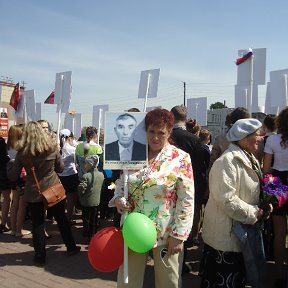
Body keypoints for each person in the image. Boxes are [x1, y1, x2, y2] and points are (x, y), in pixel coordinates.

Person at [109, 108, 194, 288]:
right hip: (133, 230)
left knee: (169, 281)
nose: (155, 137)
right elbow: (122, 183)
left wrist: (179, 235)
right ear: (145, 131)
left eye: (161, 133)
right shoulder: (133, 154)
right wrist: (118, 198)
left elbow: (187, 198)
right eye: (151, 131)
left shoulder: (180, 158)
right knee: (127, 280)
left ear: (169, 132)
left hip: (166, 231)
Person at [200, 118, 272, 288]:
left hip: (239, 234)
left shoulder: (248, 157)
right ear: (244, 138)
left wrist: (265, 203)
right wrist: (254, 213)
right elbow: (227, 199)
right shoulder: (226, 162)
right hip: (225, 237)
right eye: (257, 135)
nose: (261, 138)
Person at [7, 121, 80, 266]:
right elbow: (60, 169)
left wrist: (10, 165)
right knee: (61, 219)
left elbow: (13, 176)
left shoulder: (23, 153)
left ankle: (40, 255)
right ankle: (71, 247)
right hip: (53, 189)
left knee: (38, 223)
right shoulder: (52, 148)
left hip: (34, 191)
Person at [170, 105, 206, 273]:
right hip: (190, 184)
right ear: (186, 118)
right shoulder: (193, 139)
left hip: (167, 185)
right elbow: (202, 163)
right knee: (188, 215)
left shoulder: (165, 135)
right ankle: (188, 241)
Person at [263, 107, 288, 288]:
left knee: (279, 231)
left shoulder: (272, 139)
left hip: (278, 183)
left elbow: (266, 169)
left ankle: (279, 274)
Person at [7, 124, 31, 237]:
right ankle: (19, 230)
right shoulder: (21, 148)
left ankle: (12, 229)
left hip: (13, 176)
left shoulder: (9, 146)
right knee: (22, 204)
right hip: (22, 177)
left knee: (14, 203)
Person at [77, 155, 104, 242]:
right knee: (94, 217)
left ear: (90, 165)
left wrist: (80, 194)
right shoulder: (101, 175)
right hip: (96, 201)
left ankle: (87, 232)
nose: (84, 166)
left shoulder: (86, 176)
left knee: (86, 218)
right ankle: (93, 233)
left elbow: (81, 188)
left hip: (86, 201)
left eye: (86, 164)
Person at [58, 129, 79, 224]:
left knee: (62, 198)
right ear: (70, 138)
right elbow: (76, 163)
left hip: (61, 176)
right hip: (71, 175)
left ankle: (61, 217)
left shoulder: (58, 149)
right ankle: (68, 218)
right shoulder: (73, 150)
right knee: (71, 198)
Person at [0, 137, 11, 233]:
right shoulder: (1, 141)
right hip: (2, 173)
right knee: (7, 198)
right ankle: (3, 223)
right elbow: (3, 157)